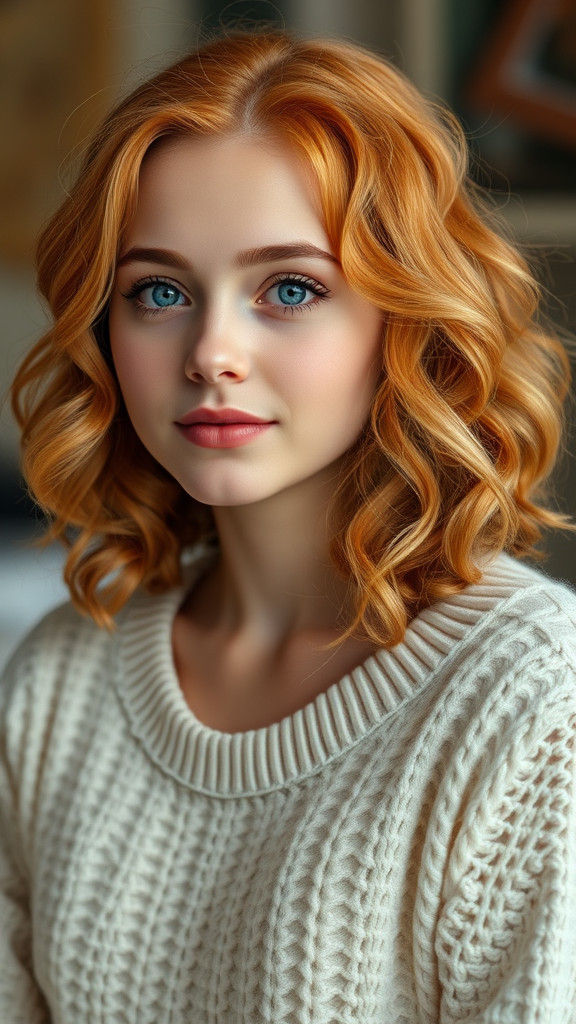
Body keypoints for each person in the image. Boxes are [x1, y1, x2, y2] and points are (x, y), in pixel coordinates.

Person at [2, 25, 576, 1024]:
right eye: (161, 291)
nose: (212, 351)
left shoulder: (533, 706)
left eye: (291, 288)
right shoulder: (58, 682)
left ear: (406, 323)